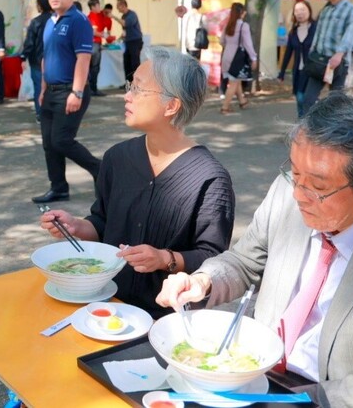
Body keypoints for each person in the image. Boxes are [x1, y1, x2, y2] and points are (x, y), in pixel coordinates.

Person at [156, 90, 353, 407]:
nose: (299, 194)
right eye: (295, 173)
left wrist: (282, 401)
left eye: (318, 186)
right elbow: (246, 261)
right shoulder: (286, 193)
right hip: (251, 374)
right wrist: (203, 281)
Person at [40, 47, 234, 317]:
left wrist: (165, 258)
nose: (126, 95)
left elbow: (213, 259)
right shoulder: (117, 158)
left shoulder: (210, 178)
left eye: (138, 89)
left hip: (166, 319)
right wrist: (76, 226)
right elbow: (103, 223)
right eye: (130, 85)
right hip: (105, 306)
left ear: (172, 105)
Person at [31, 0, 100, 204]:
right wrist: (42, 89)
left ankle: (101, 171)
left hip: (71, 90)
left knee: (61, 140)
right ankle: (58, 187)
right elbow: (45, 58)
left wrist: (77, 92)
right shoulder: (50, 22)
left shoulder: (78, 21)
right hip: (51, 91)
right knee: (49, 144)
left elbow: (83, 59)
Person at [301, 0, 353, 114]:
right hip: (319, 61)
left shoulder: (351, 10)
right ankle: (308, 129)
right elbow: (318, 34)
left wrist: (339, 55)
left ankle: (334, 132)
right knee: (308, 100)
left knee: (336, 102)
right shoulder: (325, 10)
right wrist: (312, 53)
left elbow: (349, 34)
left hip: (338, 62)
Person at [278, 1, 316, 118]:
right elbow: (288, 53)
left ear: (309, 10)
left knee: (308, 99)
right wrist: (282, 73)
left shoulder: (316, 28)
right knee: (300, 98)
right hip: (299, 71)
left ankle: (310, 124)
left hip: (313, 70)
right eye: (297, 10)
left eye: (303, 9)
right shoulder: (293, 32)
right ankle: (302, 124)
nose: (300, 13)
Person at [219, 3, 257, 114]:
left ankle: (242, 101)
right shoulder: (243, 26)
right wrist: (253, 57)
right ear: (241, 12)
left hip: (226, 56)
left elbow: (222, 41)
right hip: (237, 58)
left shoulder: (228, 25)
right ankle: (225, 107)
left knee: (236, 80)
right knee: (234, 83)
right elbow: (248, 44)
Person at [21, 0, 52, 123]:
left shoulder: (36, 22)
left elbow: (29, 43)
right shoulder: (56, 20)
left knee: (39, 88)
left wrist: (23, 57)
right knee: (53, 88)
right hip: (53, 61)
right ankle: (52, 114)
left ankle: (40, 114)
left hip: (37, 61)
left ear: (39, 5)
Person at [87, 0, 113, 97]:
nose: (99, 7)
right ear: (93, 7)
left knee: (93, 67)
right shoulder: (91, 17)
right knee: (94, 67)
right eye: (98, 5)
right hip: (94, 44)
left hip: (96, 44)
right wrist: (104, 35)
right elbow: (93, 32)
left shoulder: (98, 15)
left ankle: (92, 88)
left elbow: (106, 12)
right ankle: (92, 89)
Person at [114, 0, 144, 82]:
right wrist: (119, 39)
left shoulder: (132, 15)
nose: (117, 8)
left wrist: (113, 16)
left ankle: (137, 83)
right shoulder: (123, 16)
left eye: (118, 6)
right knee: (126, 63)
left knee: (134, 63)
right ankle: (128, 82)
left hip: (135, 41)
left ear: (123, 6)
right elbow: (125, 31)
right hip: (127, 42)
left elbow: (125, 23)